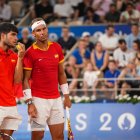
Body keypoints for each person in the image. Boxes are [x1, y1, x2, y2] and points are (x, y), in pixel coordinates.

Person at [23, 18, 72, 140]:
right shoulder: (29, 53)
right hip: (38, 101)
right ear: (33, 34)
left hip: (56, 100)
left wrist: (66, 96)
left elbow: (61, 74)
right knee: (38, 137)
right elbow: (25, 80)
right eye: (38, 30)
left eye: (44, 29)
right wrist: (30, 103)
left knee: (59, 136)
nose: (42, 32)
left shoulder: (57, 47)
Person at [0, 22, 25, 137]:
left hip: (10, 105)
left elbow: (17, 81)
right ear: (2, 35)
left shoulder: (14, 56)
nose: (16, 39)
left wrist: (20, 58)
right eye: (13, 35)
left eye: (17, 35)